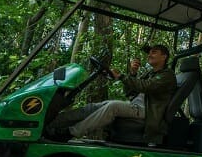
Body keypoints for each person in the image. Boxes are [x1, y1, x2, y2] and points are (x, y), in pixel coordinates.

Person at [46, 45, 177, 144]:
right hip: (135, 106)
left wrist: (121, 76)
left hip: (148, 112)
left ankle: (70, 132)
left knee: (113, 106)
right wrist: (132, 73)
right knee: (93, 106)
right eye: (149, 52)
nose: (149, 55)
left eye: (154, 52)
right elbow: (130, 93)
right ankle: (50, 123)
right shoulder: (150, 74)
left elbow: (146, 87)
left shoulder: (167, 75)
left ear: (164, 57)